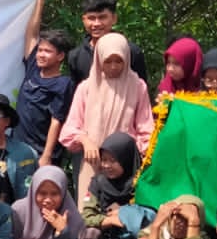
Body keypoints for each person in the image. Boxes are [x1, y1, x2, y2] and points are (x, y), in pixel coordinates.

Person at [60, 32, 154, 203]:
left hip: (125, 168)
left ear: (127, 58)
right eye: (108, 61)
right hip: (93, 162)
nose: (113, 66)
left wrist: (134, 154)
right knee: (89, 215)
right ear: (98, 59)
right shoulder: (86, 87)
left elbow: (146, 128)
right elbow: (70, 128)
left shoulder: (137, 86)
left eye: (119, 61)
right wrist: (86, 141)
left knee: (125, 216)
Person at [79, 132, 152, 239]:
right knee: (90, 235)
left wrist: (126, 214)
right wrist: (109, 220)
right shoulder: (98, 183)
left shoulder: (141, 184)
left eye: (113, 160)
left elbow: (148, 216)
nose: (106, 165)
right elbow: (87, 216)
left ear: (126, 159)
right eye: (104, 160)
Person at [17, 0, 76, 157]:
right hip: (18, 148)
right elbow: (32, 34)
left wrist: (46, 156)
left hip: (41, 151)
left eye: (47, 51)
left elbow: (56, 121)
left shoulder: (63, 84)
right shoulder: (33, 68)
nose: (41, 54)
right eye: (40, 50)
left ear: (60, 56)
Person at [66, 0, 149, 84]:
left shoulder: (130, 51)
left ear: (114, 18)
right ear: (84, 20)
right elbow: (75, 94)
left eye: (102, 17)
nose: (96, 24)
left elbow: (140, 89)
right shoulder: (76, 56)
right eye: (91, 18)